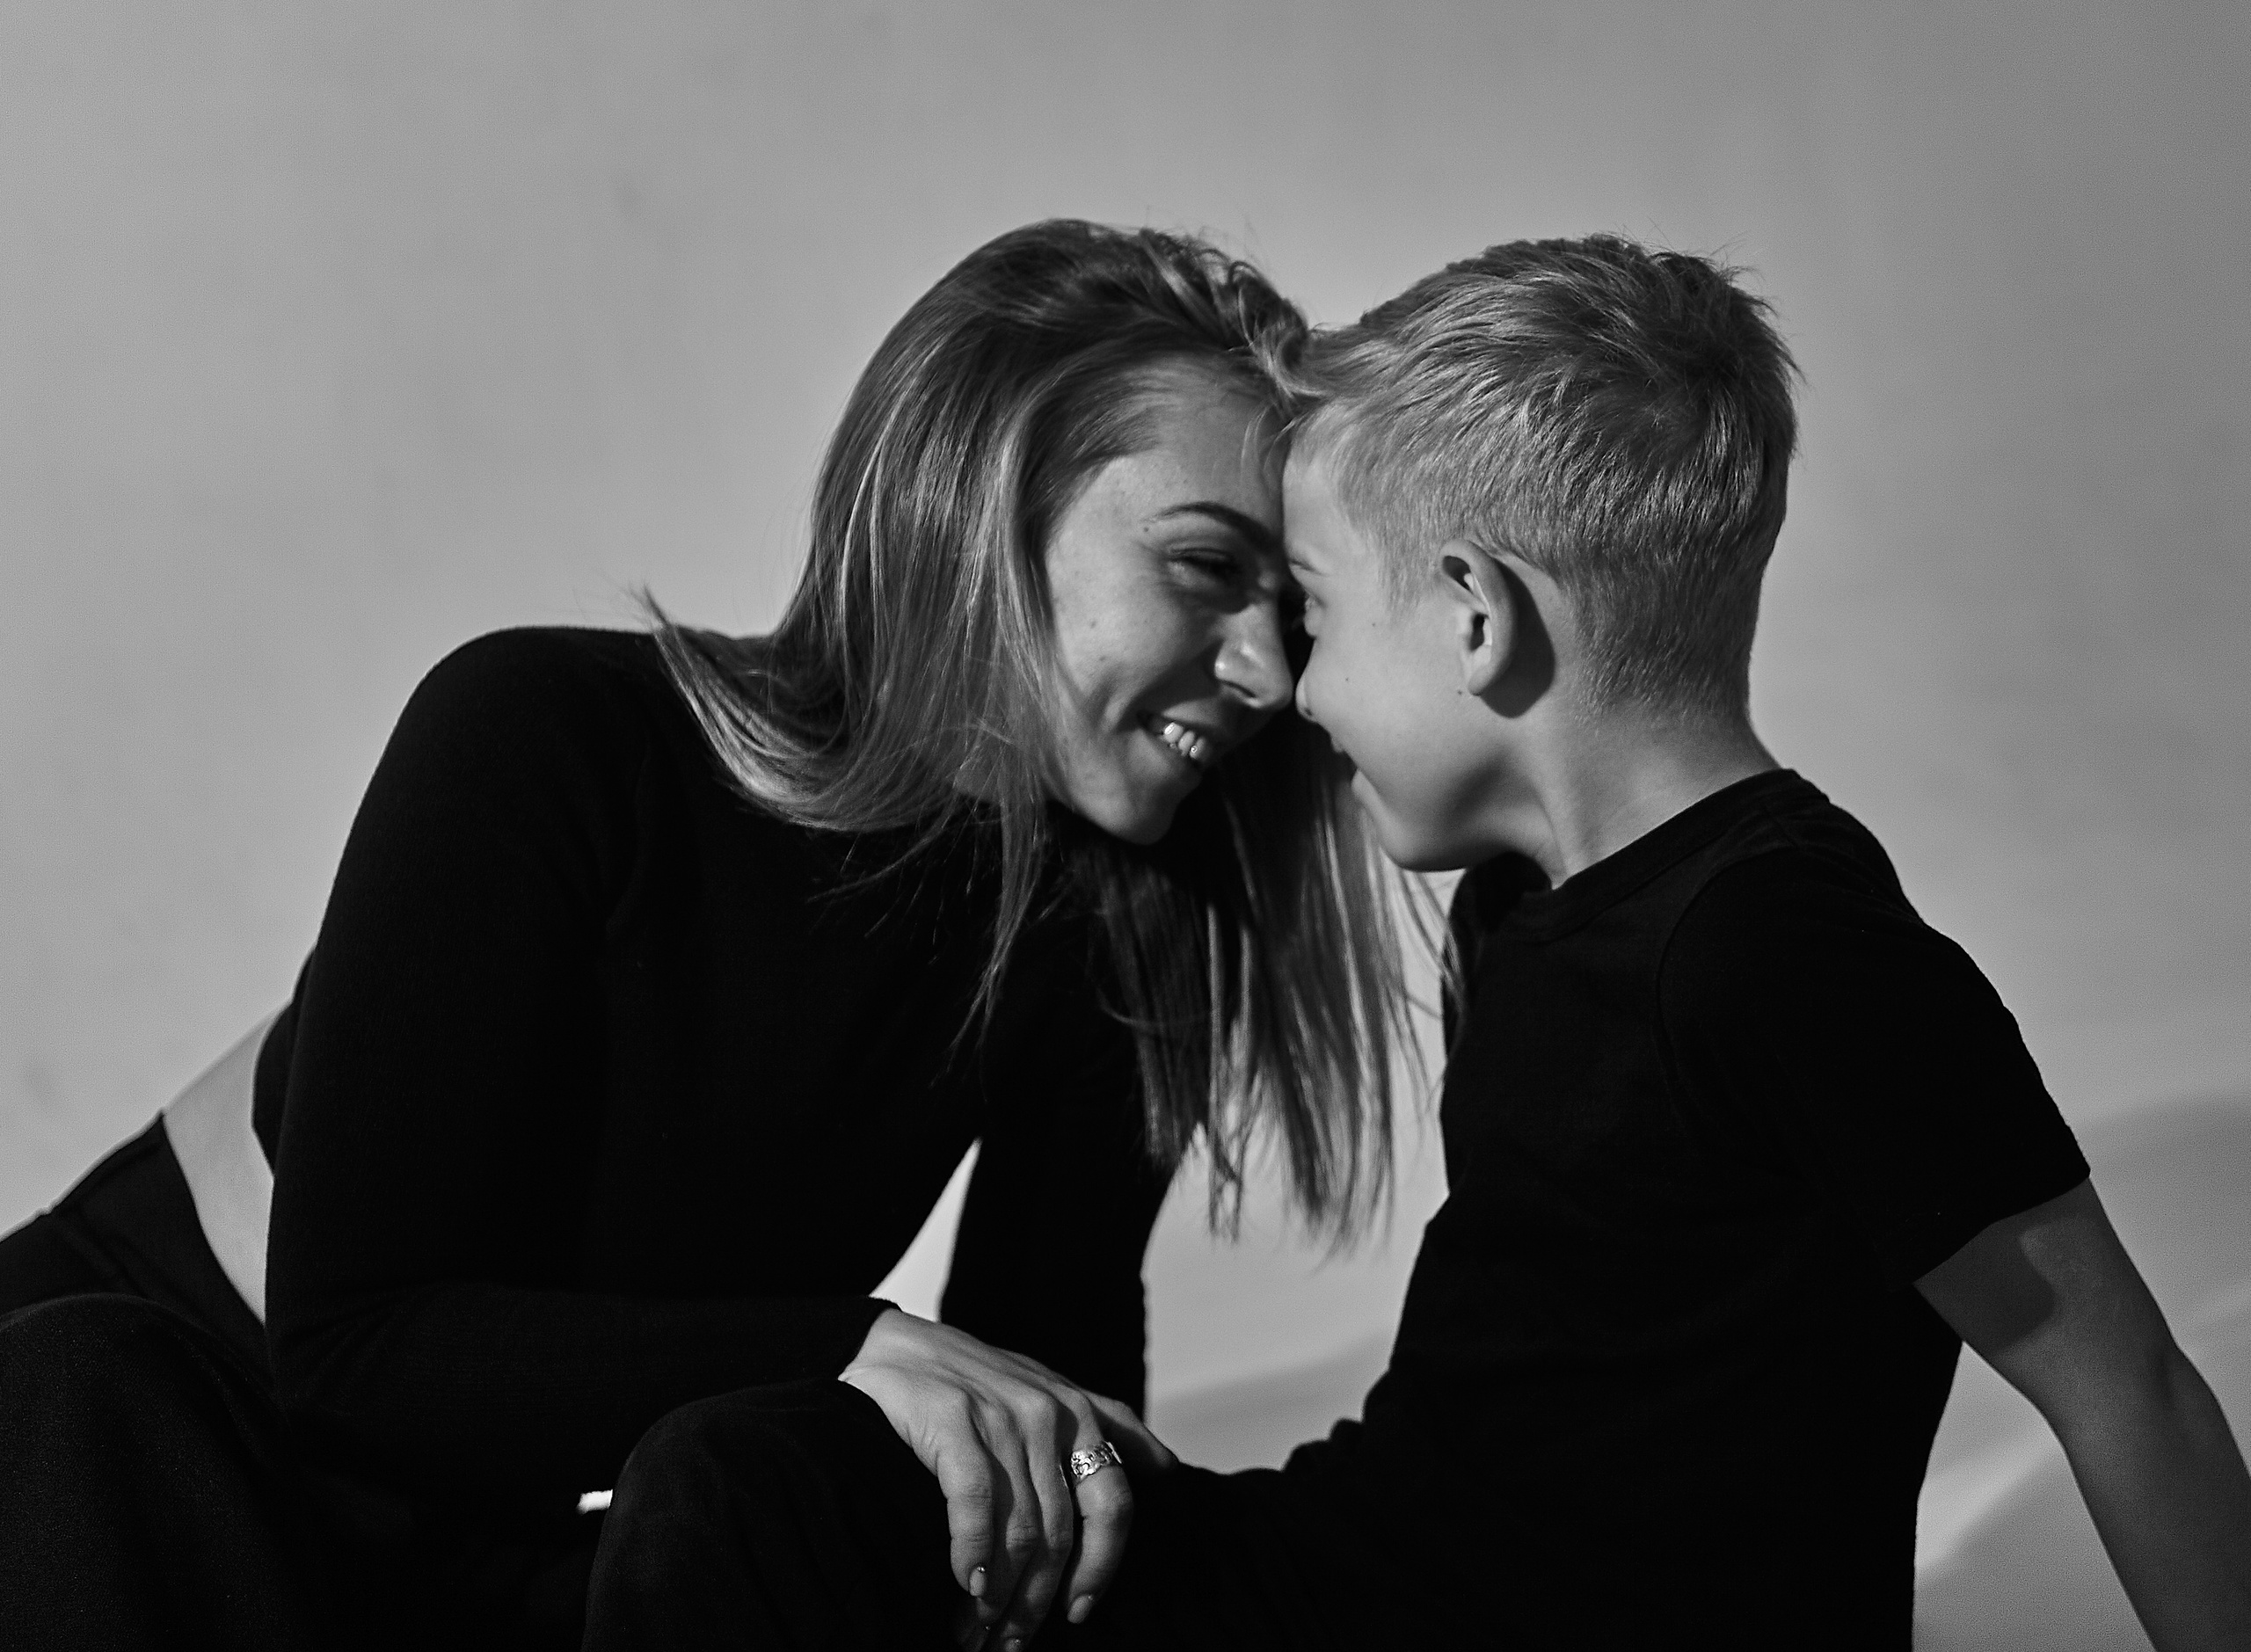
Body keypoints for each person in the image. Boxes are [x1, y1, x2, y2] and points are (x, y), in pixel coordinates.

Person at [599, 233, 2251, 1651]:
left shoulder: (1792, 953)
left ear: (1475, 612)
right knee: (755, 1482)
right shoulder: (1518, 912)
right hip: (1369, 1581)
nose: (1293, 693)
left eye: (1314, 612)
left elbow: (2128, 1391)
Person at [0, 219, 1410, 1651]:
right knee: (79, 1386)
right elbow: (354, 1351)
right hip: (111, 1445)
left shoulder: (1119, 924)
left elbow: (1034, 1419)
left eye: (1291, 611)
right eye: (1203, 567)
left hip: (458, 1551)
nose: (1268, 669)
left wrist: (1086, 1490)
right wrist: (851, 1350)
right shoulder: (549, 737)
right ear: (988, 497)